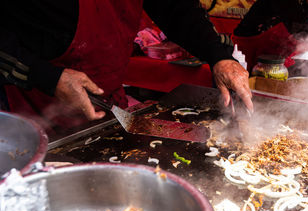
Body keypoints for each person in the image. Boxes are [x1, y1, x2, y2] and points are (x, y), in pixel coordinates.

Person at [0, 0, 253, 132]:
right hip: (30, 107)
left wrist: (219, 56)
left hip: (108, 104)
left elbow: (177, 8)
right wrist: (46, 76)